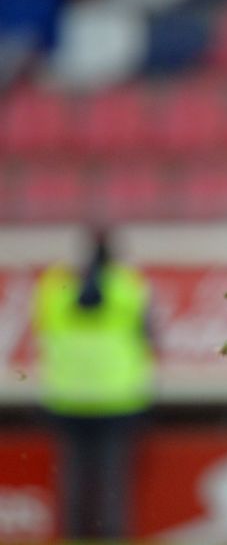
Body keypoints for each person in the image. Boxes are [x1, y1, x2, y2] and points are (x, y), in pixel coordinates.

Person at [31, 228, 154, 540]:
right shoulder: (128, 285)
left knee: (72, 474)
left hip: (68, 395)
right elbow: (148, 335)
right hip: (117, 395)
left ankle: (74, 535)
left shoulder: (54, 285)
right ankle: (110, 535)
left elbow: (42, 328)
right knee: (112, 477)